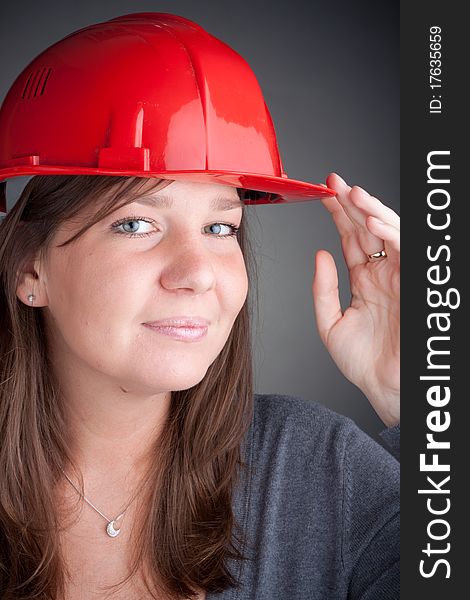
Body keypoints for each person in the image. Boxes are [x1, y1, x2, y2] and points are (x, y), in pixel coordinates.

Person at [0, 13, 399, 600]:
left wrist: (417, 396)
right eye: (136, 223)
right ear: (31, 269)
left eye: (220, 227)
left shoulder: (316, 468)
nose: (197, 274)